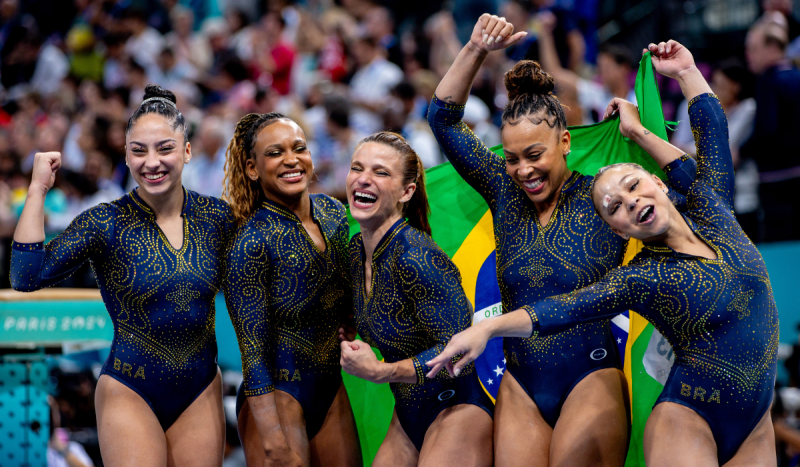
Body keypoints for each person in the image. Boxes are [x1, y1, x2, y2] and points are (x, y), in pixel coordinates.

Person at [429, 40, 779, 466]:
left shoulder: (604, 203)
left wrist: (643, 125)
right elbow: (443, 119)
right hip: (522, 380)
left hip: (590, 375)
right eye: (513, 158)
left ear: (565, 141)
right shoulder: (505, 195)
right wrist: (476, 47)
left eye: (535, 154)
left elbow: (707, 156)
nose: (523, 169)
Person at [10, 85, 232, 466]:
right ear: (126, 157)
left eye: (165, 148)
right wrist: (37, 189)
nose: (152, 162)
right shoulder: (105, 222)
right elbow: (26, 276)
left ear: (188, 151)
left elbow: (261, 286)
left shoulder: (217, 218)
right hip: (130, 390)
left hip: (200, 391)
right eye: (139, 150)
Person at [343, 131, 493, 467]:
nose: (363, 179)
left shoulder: (416, 256)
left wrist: (382, 371)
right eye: (357, 168)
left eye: (380, 172)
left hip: (459, 406)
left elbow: (459, 351)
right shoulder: (356, 252)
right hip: (409, 411)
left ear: (407, 191)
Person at [222, 112, 361, 467]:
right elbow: (253, 353)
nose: (291, 160)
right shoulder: (250, 243)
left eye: (299, 148)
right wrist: (272, 440)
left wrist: (351, 318)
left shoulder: (333, 213)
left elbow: (347, 292)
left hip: (330, 389)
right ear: (252, 169)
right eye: (275, 153)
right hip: (275, 394)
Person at [742, 17, 800, 242]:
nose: (749, 56)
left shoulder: (767, 81)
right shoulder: (796, 77)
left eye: (754, 49)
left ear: (773, 47)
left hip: (777, 183)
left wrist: (741, 151)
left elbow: (767, 129)